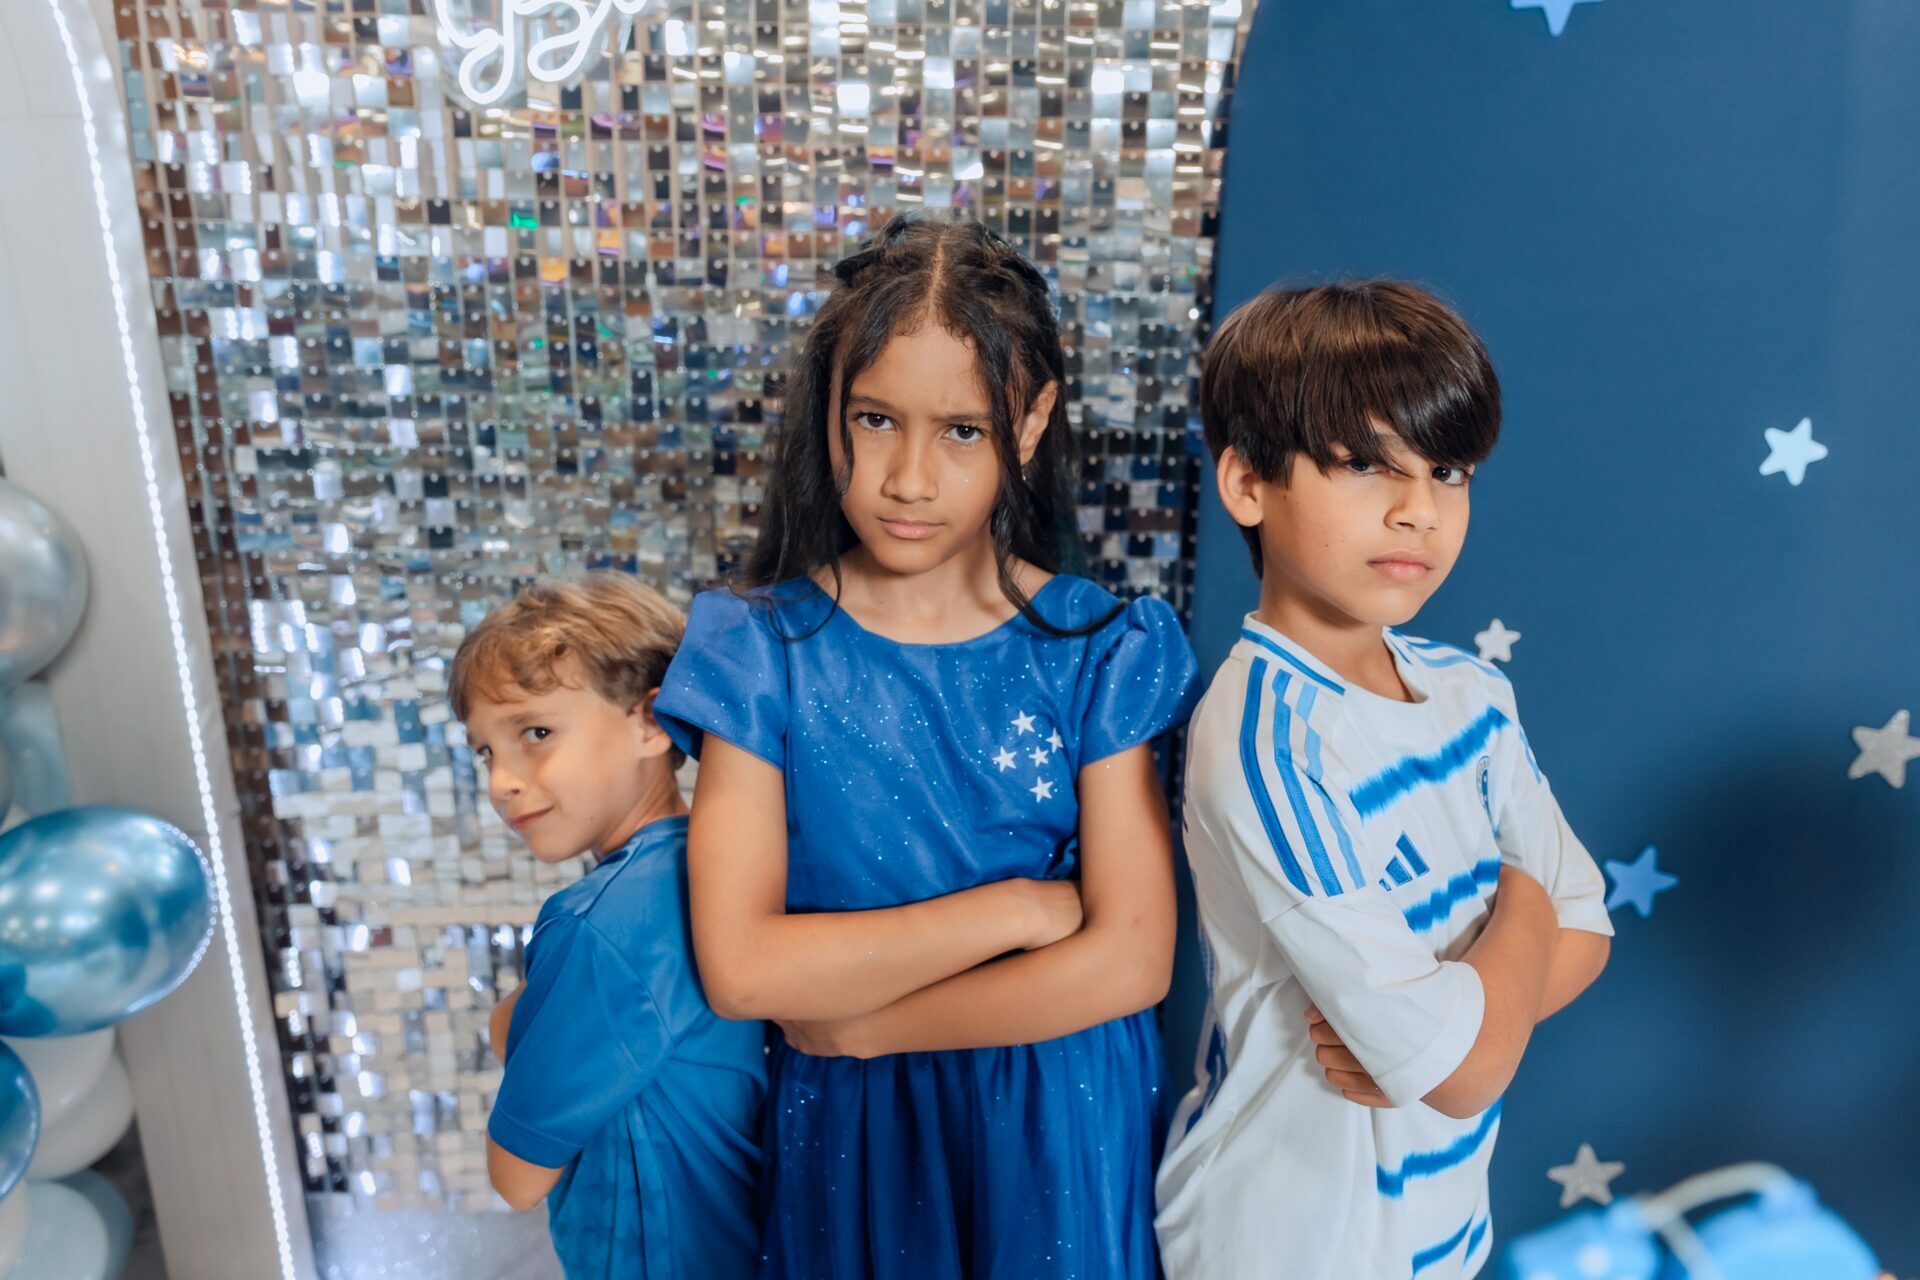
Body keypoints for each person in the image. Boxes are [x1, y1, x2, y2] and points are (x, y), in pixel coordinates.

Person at [654, 213, 1200, 1279]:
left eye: (962, 431)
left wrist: (871, 1025)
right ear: (827, 411)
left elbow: (1133, 961)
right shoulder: (757, 651)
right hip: (858, 1144)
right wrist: (1017, 911)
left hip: (1055, 1130)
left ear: (1029, 424)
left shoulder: (1097, 648)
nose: (909, 476)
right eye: (875, 420)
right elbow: (743, 966)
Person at [1156, 282, 1613, 1279]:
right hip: (1290, 1242)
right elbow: (1466, 1065)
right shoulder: (1267, 736)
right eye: (1366, 464)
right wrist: (1527, 906)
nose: (1418, 510)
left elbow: (1589, 931)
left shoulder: (1471, 693)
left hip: (1441, 1224)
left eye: (1447, 470)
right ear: (1247, 483)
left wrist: (1469, 1019)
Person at [451, 575, 765, 1280]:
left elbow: (516, 1176)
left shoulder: (597, 927)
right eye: (486, 751)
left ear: (651, 722)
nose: (501, 781)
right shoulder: (721, 869)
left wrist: (513, 1023)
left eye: (536, 733)